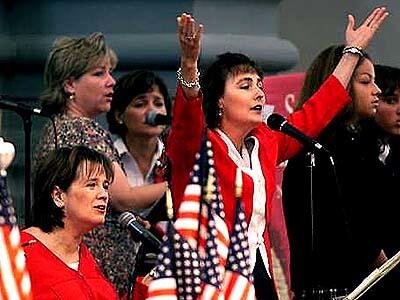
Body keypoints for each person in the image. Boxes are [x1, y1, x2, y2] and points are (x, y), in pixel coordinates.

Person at [167, 9, 388, 300]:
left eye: (259, 85)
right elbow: (187, 118)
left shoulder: (265, 143)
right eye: (245, 86)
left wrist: (351, 53)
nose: (259, 93)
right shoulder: (198, 147)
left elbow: (317, 110)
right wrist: (189, 64)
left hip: (259, 275)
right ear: (219, 101)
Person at [34, 32, 168, 296]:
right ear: (70, 84)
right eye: (99, 74)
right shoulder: (83, 130)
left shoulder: (57, 127)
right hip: (94, 265)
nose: (111, 82)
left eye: (110, 73)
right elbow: (123, 198)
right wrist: (184, 185)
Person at [281, 44, 389, 299]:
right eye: (366, 81)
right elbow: (348, 219)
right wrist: (379, 257)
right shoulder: (321, 151)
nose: (377, 91)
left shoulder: (358, 143)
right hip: (337, 288)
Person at [104, 70, 171, 295]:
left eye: (158, 103)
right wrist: (176, 185)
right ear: (119, 115)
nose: (152, 111)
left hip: (162, 276)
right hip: (112, 270)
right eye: (140, 103)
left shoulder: (175, 160)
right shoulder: (107, 157)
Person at [22, 146, 118, 299]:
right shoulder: (20, 253)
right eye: (91, 185)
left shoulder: (85, 255)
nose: (104, 195)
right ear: (58, 196)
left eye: (105, 186)